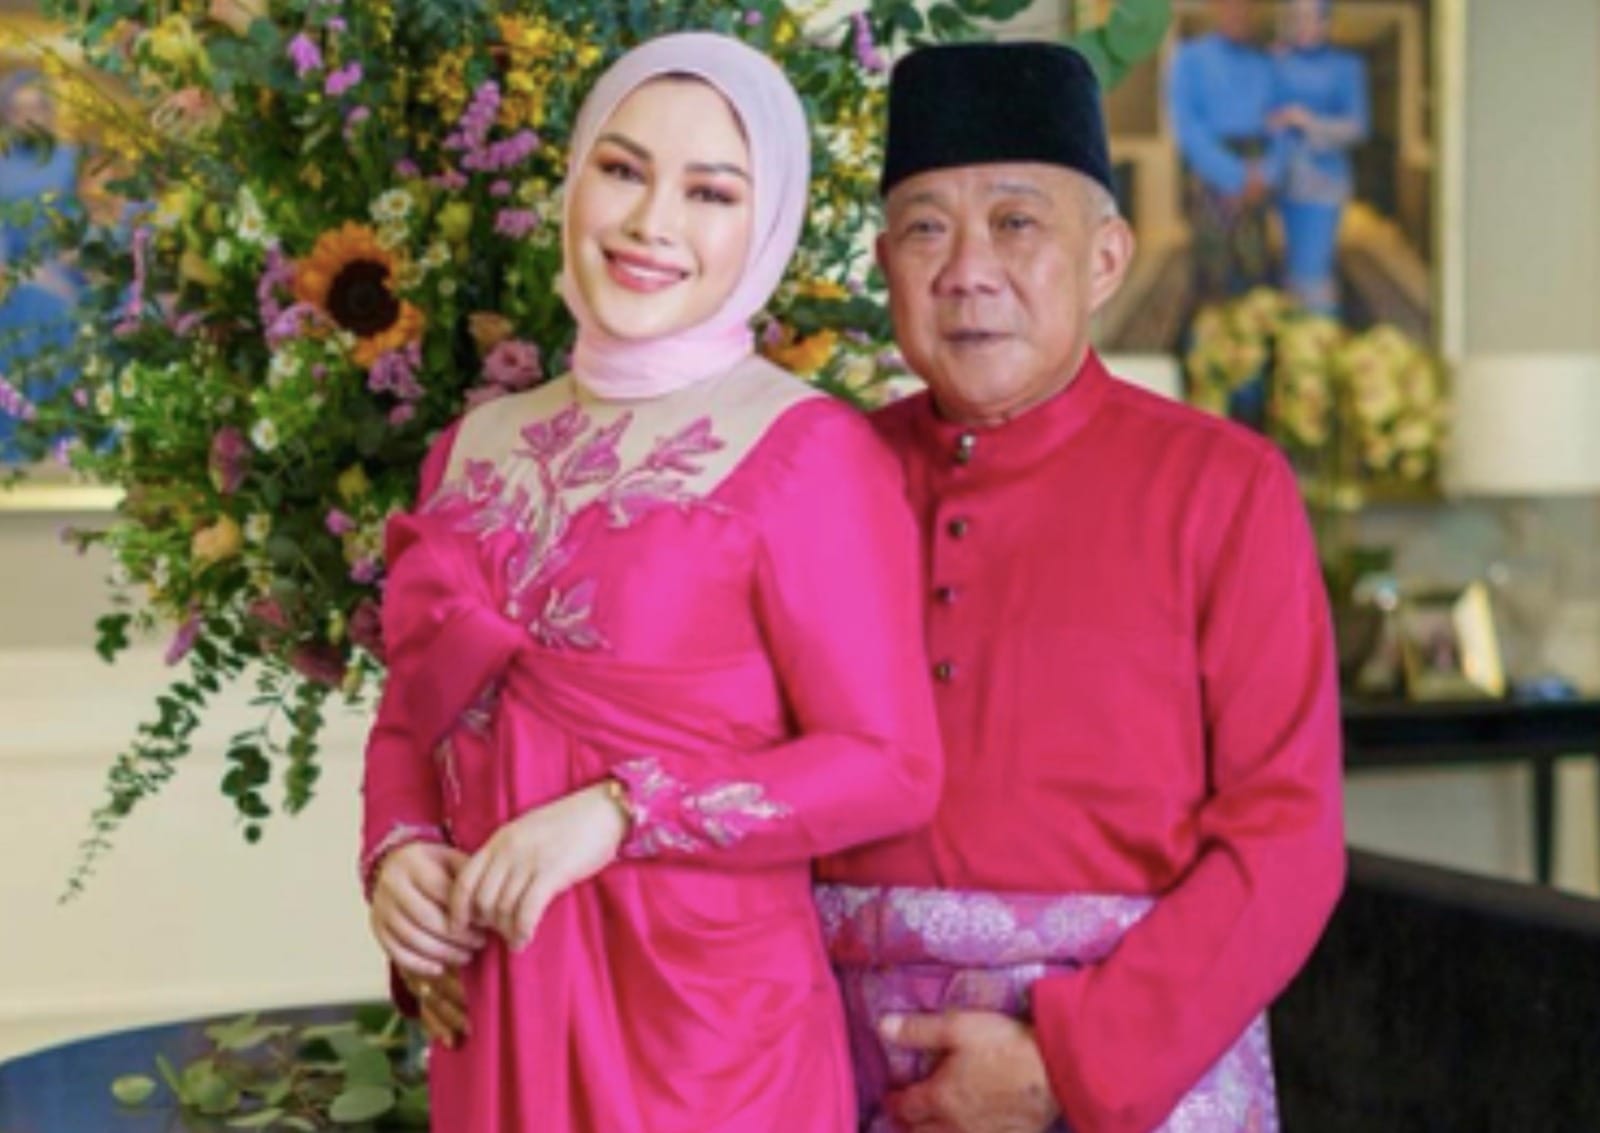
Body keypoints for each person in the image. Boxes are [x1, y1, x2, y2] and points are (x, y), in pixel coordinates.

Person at [359, 32, 943, 1133]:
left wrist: (622, 812)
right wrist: (397, 855)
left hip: (704, 1044)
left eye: (710, 192)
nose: (650, 222)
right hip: (497, 1006)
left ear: (764, 227)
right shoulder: (471, 447)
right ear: (572, 179)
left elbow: (889, 767)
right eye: (622, 170)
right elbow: (411, 716)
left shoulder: (810, 452)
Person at [818, 42, 1345, 1133]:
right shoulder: (815, 480)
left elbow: (1287, 842)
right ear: (883, 264)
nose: (967, 271)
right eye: (925, 230)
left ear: (1106, 260)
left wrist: (1067, 1064)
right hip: (828, 1063)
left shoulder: (1224, 484)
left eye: (1016, 222)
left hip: (1129, 1065)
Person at [1166, 0, 1280, 303]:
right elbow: (1188, 127)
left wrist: (1266, 173)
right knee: (1213, 276)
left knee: (1256, 274)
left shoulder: (1267, 64)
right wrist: (1233, 177)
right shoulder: (1190, 58)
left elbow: (1282, 127)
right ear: (1215, 7)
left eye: (1246, 5)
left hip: (1258, 174)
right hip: (1211, 174)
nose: (1239, 11)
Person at [1269, 0, 1369, 315]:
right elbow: (1263, 113)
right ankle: (1295, 332)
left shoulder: (1346, 66)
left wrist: (1308, 121)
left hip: (1322, 183)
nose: (1302, 24)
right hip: (1280, 180)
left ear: (1326, 22)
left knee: (1313, 272)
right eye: (1295, 16)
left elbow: (1358, 127)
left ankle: (1318, 334)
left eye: (1310, 17)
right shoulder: (1278, 62)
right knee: (1290, 270)